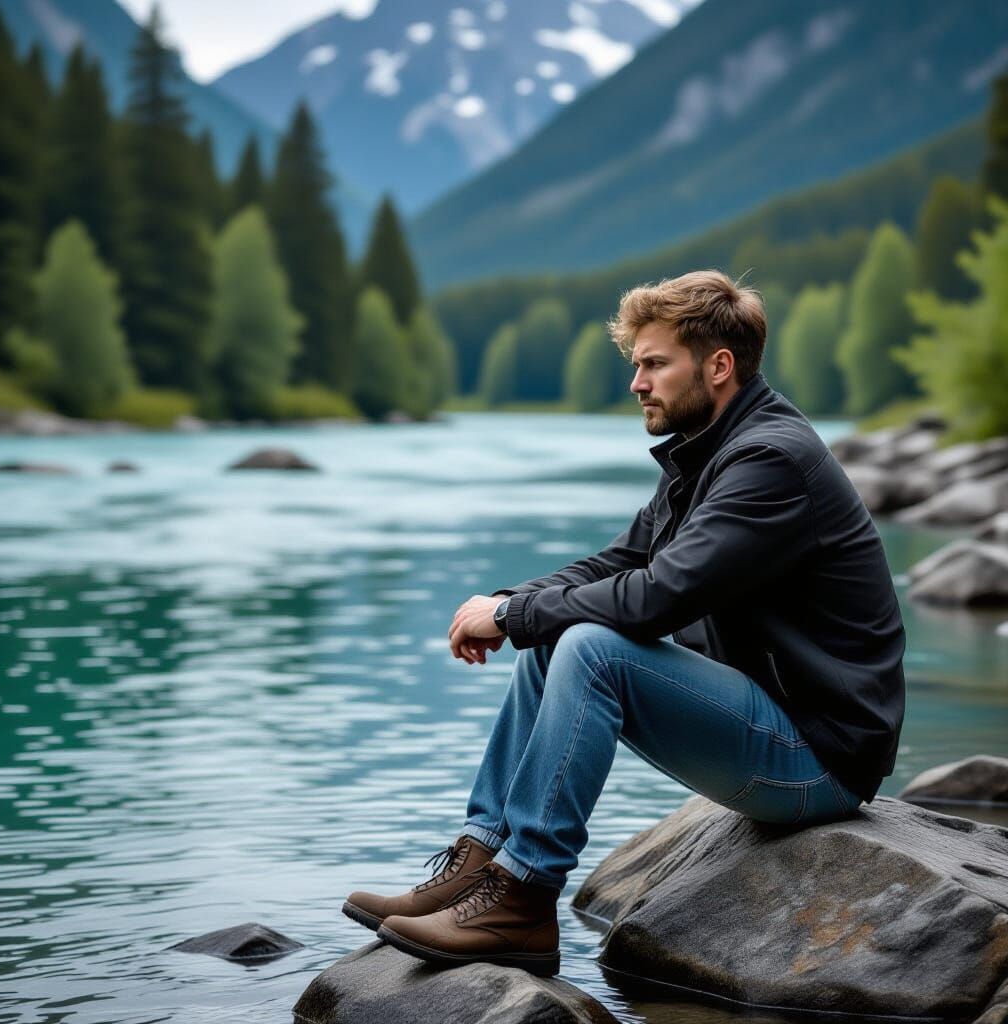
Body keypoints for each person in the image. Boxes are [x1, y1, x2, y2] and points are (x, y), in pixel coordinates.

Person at [343, 269, 906, 978]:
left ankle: (522, 898)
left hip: (820, 759)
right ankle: (482, 857)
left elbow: (656, 599)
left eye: (653, 364)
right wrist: (507, 601)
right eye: (636, 365)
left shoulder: (769, 461)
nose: (637, 383)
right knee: (559, 642)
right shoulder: (708, 452)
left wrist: (513, 616)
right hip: (771, 724)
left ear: (718, 365)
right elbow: (621, 561)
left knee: (592, 647)